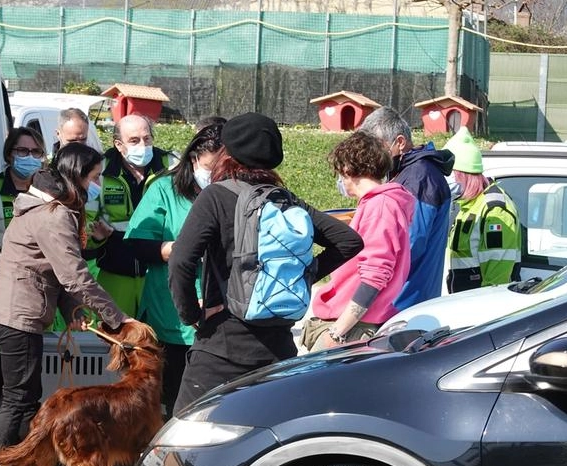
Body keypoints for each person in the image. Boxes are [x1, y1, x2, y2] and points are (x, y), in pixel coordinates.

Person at [168, 112, 363, 414]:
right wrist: (302, 277)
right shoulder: (287, 201)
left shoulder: (216, 197)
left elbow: (181, 260)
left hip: (220, 349)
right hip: (277, 351)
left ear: (227, 152)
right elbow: (349, 241)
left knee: (181, 440)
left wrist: (191, 314)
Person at [0, 142, 134, 466]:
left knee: (28, 398)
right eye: (93, 177)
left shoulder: (48, 207)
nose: (96, 185)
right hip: (17, 312)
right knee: (17, 399)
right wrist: (117, 319)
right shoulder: (54, 213)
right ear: (77, 175)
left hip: (20, 309)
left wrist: (73, 311)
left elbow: (53, 273)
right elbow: (74, 275)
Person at [124, 121, 225, 418]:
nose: (214, 175)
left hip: (220, 312)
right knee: (173, 401)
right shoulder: (164, 189)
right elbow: (136, 244)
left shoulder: (231, 189)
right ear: (194, 158)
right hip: (171, 312)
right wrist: (173, 250)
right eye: (210, 167)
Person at [302, 131, 416, 351]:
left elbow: (375, 275)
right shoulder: (380, 204)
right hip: (356, 323)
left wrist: (337, 333)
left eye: (340, 173)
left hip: (353, 327)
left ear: (347, 169)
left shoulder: (380, 206)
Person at [0, 126, 45, 462]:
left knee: (23, 378)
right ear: (9, 154)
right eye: (22, 151)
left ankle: (13, 443)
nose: (29, 157)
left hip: (32, 286)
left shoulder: (43, 189)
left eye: (35, 152)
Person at [358, 106, 454, 310]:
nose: (372, 156)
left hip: (405, 300)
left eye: (377, 147)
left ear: (400, 142)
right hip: (410, 296)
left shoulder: (419, 178)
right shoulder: (413, 173)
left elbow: (409, 244)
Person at [88, 114, 174, 316]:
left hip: (159, 274)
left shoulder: (171, 166)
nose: (142, 145)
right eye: (134, 141)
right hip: (114, 273)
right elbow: (85, 222)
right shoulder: (101, 170)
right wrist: (96, 237)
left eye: (147, 139)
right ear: (119, 144)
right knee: (114, 337)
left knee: (158, 340)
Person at [443, 127, 522, 293]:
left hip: (480, 305)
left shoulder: (495, 210)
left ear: (462, 174)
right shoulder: (468, 204)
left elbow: (498, 277)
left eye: (450, 174)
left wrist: (484, 309)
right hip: (462, 300)